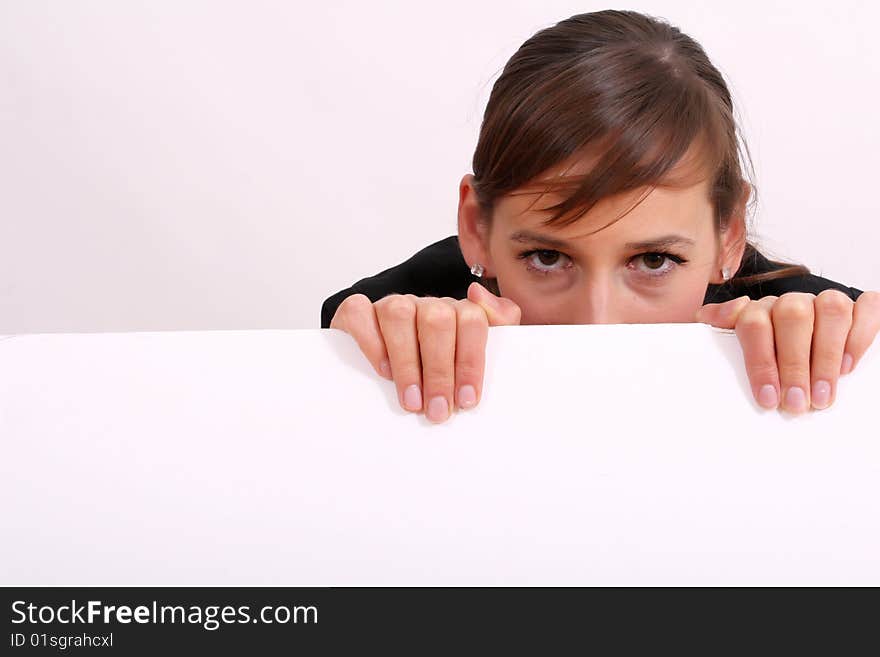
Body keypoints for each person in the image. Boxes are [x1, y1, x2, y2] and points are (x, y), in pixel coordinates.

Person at [321, 9, 880, 423]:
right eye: (547, 257)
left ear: (728, 235)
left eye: (654, 260)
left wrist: (848, 349)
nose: (598, 322)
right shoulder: (409, 308)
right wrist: (356, 359)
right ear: (477, 228)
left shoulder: (806, 320)